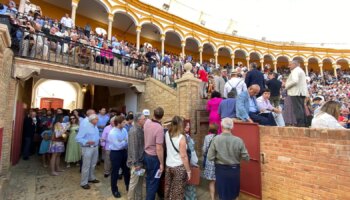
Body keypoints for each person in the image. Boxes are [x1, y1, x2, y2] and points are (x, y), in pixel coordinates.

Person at [207, 118, 250, 200]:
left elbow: (210, 157)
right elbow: (246, 158)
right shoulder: (238, 140)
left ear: (221, 126)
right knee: (234, 194)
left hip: (221, 170)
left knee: (222, 195)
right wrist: (237, 157)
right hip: (234, 170)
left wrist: (218, 157)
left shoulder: (216, 139)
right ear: (232, 127)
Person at [164, 116, 191, 199]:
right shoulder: (181, 138)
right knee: (178, 192)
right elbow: (184, 156)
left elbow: (165, 123)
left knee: (168, 189)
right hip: (178, 167)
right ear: (180, 125)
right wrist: (188, 171)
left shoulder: (167, 134)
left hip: (168, 166)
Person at [144, 107, 165, 200]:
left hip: (146, 155)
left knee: (149, 179)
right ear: (162, 116)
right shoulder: (159, 128)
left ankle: (148, 197)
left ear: (153, 114)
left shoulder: (147, 123)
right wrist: (161, 163)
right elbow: (159, 148)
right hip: (154, 158)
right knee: (154, 182)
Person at [75, 114, 100, 190]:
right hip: (87, 148)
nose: (97, 120)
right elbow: (78, 138)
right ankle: (84, 182)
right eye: (96, 119)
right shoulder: (85, 127)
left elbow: (96, 136)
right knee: (86, 165)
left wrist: (100, 138)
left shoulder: (95, 127)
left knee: (93, 164)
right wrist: (87, 141)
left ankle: (91, 178)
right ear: (92, 120)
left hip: (95, 147)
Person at [108, 116, 130, 198]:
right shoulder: (112, 133)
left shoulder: (124, 130)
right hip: (115, 153)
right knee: (115, 172)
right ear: (119, 123)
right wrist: (124, 142)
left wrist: (123, 142)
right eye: (124, 122)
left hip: (124, 152)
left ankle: (128, 186)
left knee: (126, 171)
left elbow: (128, 141)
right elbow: (118, 146)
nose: (126, 123)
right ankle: (114, 190)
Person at [127, 113, 146, 200]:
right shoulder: (134, 131)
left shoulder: (140, 129)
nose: (145, 120)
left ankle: (139, 198)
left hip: (140, 162)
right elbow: (134, 148)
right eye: (144, 119)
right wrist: (136, 163)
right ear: (139, 120)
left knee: (139, 182)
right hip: (136, 163)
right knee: (133, 182)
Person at [284, 60, 308, 127]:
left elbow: (295, 81)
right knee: (301, 108)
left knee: (298, 109)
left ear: (294, 64)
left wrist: (286, 85)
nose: (289, 66)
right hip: (300, 92)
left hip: (296, 92)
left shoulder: (295, 71)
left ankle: (300, 125)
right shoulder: (300, 70)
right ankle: (304, 124)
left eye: (290, 65)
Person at [201, 124, 218, 200]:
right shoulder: (219, 137)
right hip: (218, 160)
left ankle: (212, 198)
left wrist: (205, 154)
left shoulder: (207, 137)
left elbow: (204, 149)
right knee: (219, 179)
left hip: (209, 160)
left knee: (211, 182)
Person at [184, 121, 198, 200]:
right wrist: (195, 163)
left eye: (189, 125)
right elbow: (192, 153)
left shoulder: (175, 136)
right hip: (188, 164)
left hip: (179, 164)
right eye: (186, 125)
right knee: (190, 185)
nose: (188, 127)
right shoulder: (187, 138)